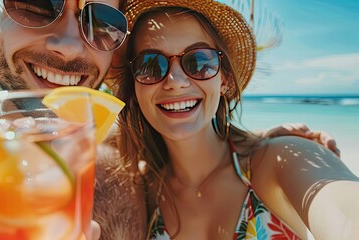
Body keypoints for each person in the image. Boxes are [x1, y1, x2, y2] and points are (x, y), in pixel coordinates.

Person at [0, 0, 341, 239]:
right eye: (38, 3)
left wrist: (272, 148)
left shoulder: (129, 157)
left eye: (102, 22)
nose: (71, 44)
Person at [111, 0, 359, 239]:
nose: (176, 82)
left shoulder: (278, 160)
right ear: (134, 87)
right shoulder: (142, 192)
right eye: (150, 65)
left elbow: (345, 214)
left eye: (198, 61)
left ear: (225, 80)